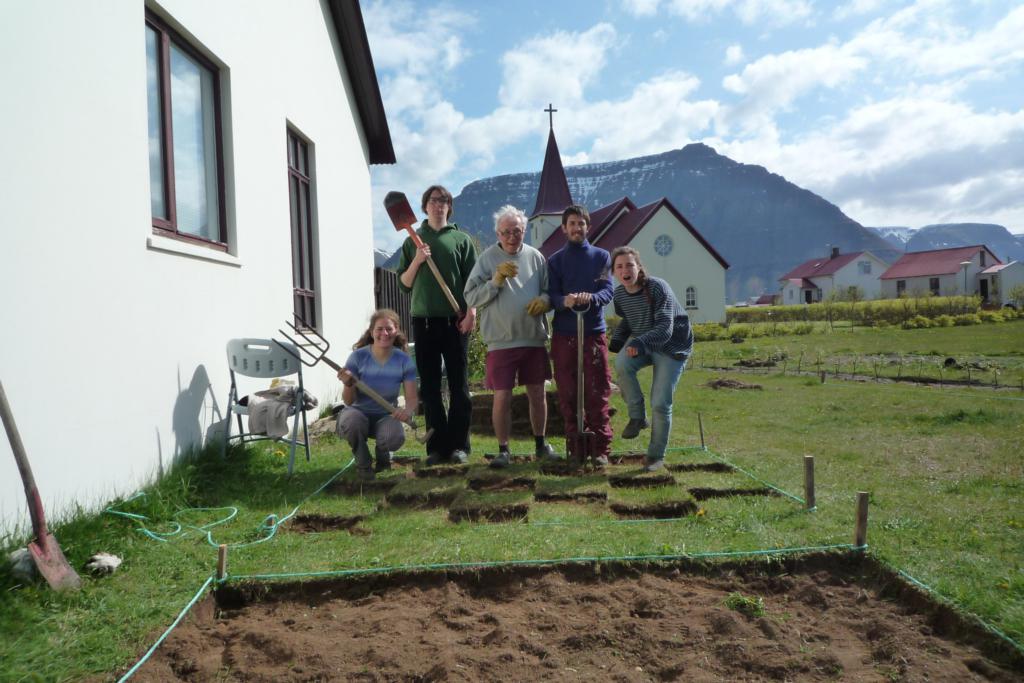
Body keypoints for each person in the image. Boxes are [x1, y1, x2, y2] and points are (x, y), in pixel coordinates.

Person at [464, 205, 559, 468]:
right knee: (502, 396)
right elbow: (470, 297)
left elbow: (550, 291)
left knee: (537, 393)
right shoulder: (487, 259)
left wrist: (545, 301)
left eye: (516, 231)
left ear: (524, 231)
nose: (511, 237)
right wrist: (495, 280)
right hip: (500, 341)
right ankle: (503, 450)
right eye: (506, 232)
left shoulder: (536, 257)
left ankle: (541, 445)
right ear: (498, 233)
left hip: (532, 338)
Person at [396, 185, 477, 465]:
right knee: (429, 387)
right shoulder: (412, 241)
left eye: (444, 200)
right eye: (433, 200)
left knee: (459, 384)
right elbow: (404, 284)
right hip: (424, 321)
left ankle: (459, 446)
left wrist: (472, 313)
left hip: (456, 320)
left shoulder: (461, 240)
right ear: (425, 206)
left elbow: (474, 283)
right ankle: (436, 448)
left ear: (449, 206)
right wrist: (418, 260)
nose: (438, 204)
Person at [608, 247, 693, 472]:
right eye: (619, 267)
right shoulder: (619, 294)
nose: (625, 270)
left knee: (660, 403)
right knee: (622, 364)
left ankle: (656, 456)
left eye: (629, 265)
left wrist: (639, 343)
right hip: (644, 341)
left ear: (639, 267)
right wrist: (617, 340)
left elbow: (665, 327)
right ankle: (637, 417)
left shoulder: (657, 287)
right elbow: (629, 319)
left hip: (672, 346)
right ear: (614, 272)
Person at [547, 204, 614, 466]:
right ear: (564, 228)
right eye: (572, 223)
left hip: (593, 333)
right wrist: (564, 301)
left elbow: (607, 290)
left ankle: (600, 449)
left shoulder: (602, 257)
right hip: (564, 335)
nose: (577, 228)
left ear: (588, 227)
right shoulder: (555, 261)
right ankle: (576, 448)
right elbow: (551, 296)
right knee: (568, 393)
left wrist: (592, 297)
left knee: (597, 390)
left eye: (581, 223)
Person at [336, 309, 418, 481]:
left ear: (396, 330)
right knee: (351, 421)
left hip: (386, 416)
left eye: (389, 329)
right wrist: (348, 384)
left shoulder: (404, 361)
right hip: (358, 415)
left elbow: (411, 398)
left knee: (394, 436)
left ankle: (383, 456)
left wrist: (407, 412)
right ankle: (363, 463)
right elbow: (348, 401)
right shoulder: (357, 357)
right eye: (379, 329)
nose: (384, 333)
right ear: (372, 331)